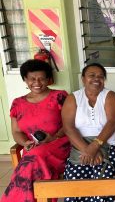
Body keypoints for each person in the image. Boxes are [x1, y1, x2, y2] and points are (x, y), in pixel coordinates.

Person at [1, 59, 70, 202]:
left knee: (32, 160)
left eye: (41, 78)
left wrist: (54, 137)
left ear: (48, 79)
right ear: (25, 79)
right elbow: (16, 132)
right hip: (32, 150)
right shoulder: (17, 103)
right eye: (32, 79)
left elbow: (71, 123)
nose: (37, 83)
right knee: (33, 161)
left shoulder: (59, 96)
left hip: (59, 145)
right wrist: (25, 142)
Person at [62, 63, 115, 202]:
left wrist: (95, 146)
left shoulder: (109, 96)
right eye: (92, 75)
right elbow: (68, 128)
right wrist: (87, 150)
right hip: (80, 146)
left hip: (106, 145)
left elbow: (112, 122)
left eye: (100, 76)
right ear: (83, 79)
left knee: (102, 188)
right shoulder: (73, 98)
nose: (96, 79)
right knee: (76, 187)